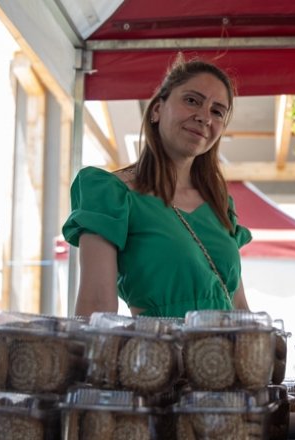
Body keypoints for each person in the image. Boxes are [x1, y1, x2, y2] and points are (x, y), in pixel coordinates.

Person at [63, 55, 252, 319]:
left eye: (217, 111)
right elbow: (96, 307)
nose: (204, 117)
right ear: (156, 110)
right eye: (192, 100)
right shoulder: (111, 193)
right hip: (158, 355)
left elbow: (239, 305)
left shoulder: (218, 203)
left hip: (227, 357)